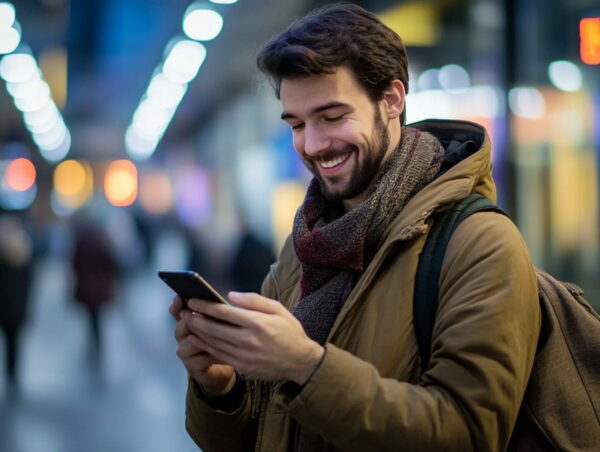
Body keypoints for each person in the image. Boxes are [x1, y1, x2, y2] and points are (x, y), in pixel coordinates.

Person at [170, 3, 540, 451]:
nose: (312, 144)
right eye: (297, 124)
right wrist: (221, 387)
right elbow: (258, 434)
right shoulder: (303, 247)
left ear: (391, 100)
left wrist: (306, 367)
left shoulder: (479, 244)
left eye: (332, 117)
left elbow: (470, 432)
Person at [0, 212, 34, 394]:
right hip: (18, 306)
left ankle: (10, 374)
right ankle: (13, 375)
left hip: (4, 306)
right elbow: (30, 283)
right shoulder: (26, 249)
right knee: (15, 343)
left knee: (9, 341)